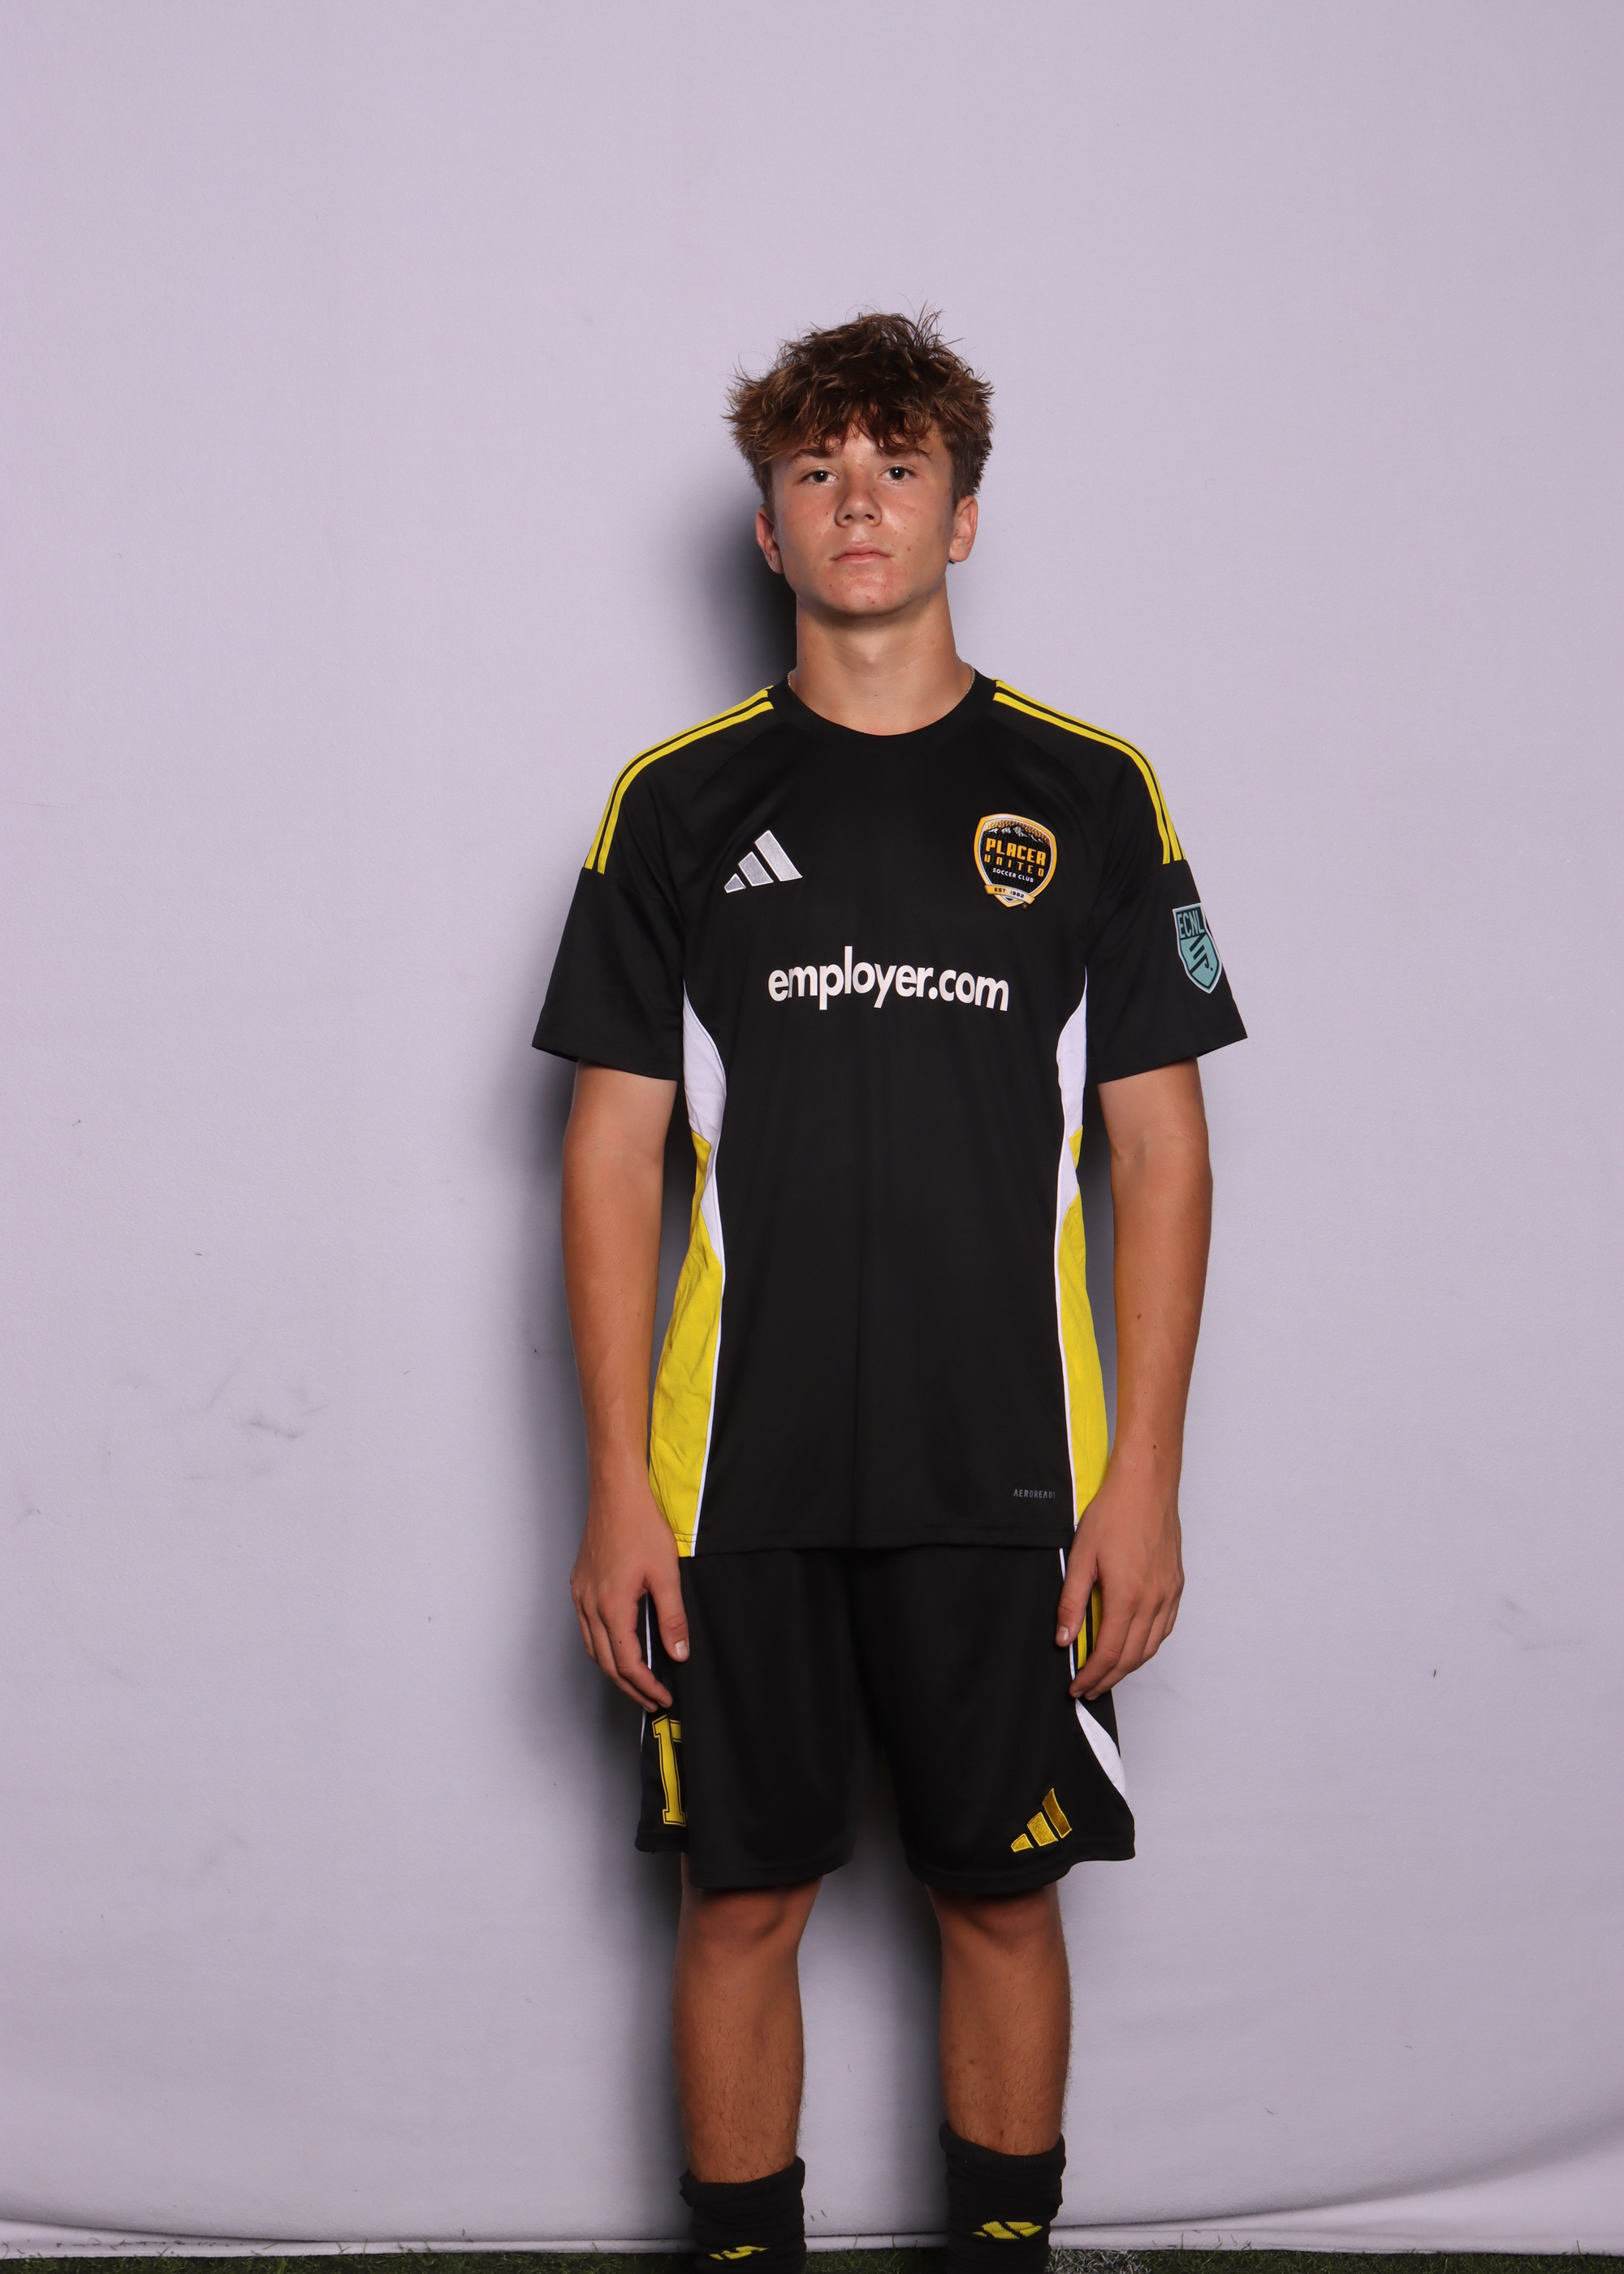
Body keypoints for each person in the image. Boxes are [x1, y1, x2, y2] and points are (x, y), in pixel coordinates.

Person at [533, 311, 1245, 2272]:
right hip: (729, 1481)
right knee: (740, 1898)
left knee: (998, 1896)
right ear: (767, 527)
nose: (859, 503)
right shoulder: (672, 804)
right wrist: (613, 1483)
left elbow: (1162, 1157)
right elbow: (606, 1159)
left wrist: (1145, 1479)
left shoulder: (1088, 790)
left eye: (899, 467)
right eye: (817, 472)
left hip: (1010, 1473)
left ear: (962, 513)